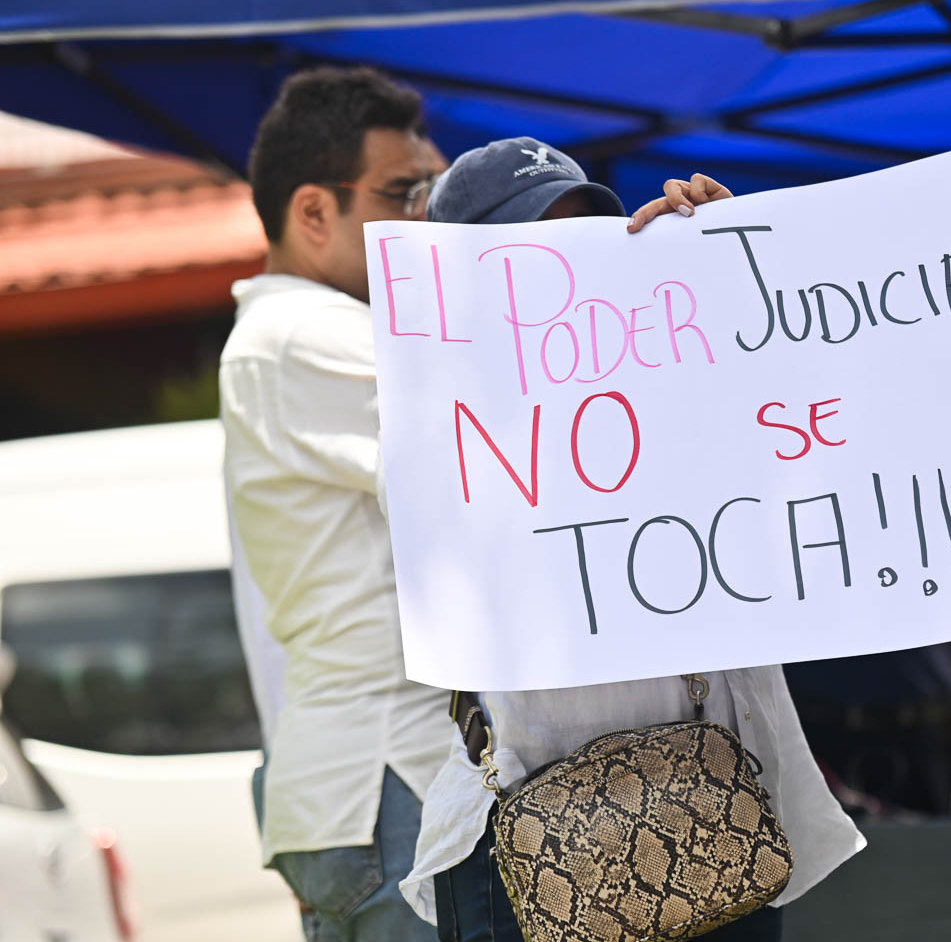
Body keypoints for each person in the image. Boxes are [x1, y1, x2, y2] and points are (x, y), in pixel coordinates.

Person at [393, 139, 866, 942]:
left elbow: (799, 456)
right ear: (458, 283)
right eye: (537, 243)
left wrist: (721, 277)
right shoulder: (436, 433)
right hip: (539, 853)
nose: (572, 262)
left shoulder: (670, 386)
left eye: (589, 234)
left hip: (717, 828)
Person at [220, 66, 450, 941]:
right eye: (407, 192)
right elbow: (492, 457)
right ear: (314, 212)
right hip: (389, 780)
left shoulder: (296, 336)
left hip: (379, 782)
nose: (429, 214)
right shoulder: (302, 335)